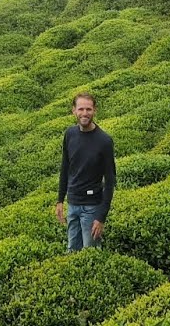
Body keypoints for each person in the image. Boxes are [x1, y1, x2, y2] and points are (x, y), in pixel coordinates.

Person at [55, 92, 116, 251]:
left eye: (88, 109)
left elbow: (110, 181)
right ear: (73, 110)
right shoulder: (70, 134)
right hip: (73, 203)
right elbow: (65, 167)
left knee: (91, 252)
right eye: (81, 109)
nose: (84, 113)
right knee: (71, 250)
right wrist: (60, 200)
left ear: (94, 110)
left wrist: (100, 217)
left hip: (92, 206)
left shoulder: (104, 141)